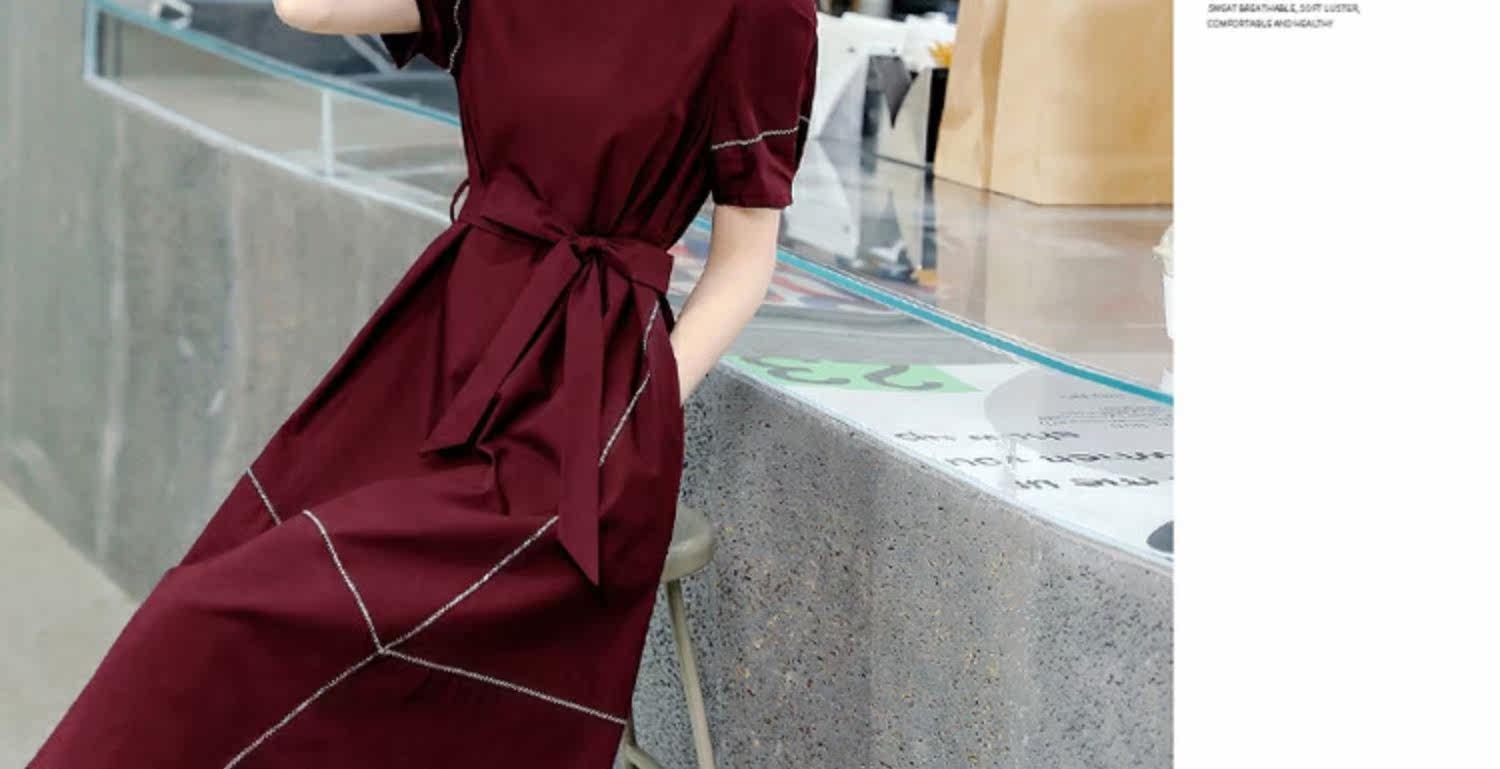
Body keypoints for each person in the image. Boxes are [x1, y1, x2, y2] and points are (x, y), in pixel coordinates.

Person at [28, 0, 818, 765]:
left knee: (225, 615)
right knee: (212, 601)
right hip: (435, 352)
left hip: (583, 407)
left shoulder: (759, 10)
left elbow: (745, 260)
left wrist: (637, 415)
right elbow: (308, 9)